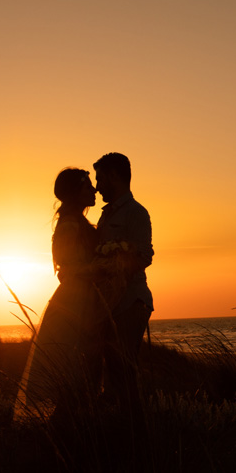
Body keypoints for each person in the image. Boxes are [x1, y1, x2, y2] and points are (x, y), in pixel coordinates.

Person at [15, 168, 102, 418]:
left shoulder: (79, 224)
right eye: (87, 186)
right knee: (70, 366)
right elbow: (69, 268)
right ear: (75, 193)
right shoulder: (69, 227)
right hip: (74, 302)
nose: (94, 190)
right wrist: (104, 265)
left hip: (84, 298)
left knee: (82, 367)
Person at [92, 152, 153, 415]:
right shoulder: (106, 214)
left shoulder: (136, 213)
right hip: (110, 304)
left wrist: (114, 266)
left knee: (124, 368)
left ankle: (136, 431)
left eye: (101, 178)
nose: (97, 186)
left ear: (115, 177)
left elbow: (144, 256)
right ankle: (120, 429)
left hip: (130, 301)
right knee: (112, 370)